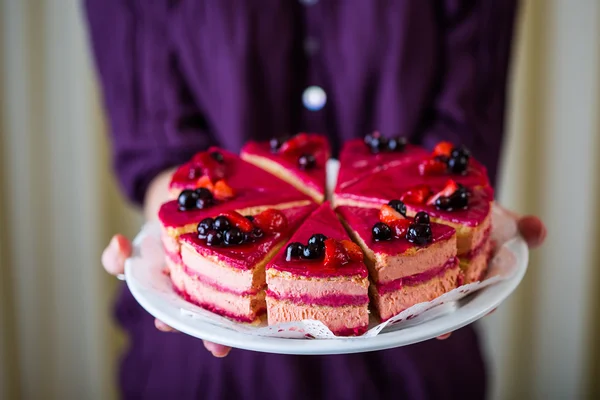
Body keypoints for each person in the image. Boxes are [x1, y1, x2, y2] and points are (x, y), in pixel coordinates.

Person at [86, 1, 546, 399]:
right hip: (202, 377)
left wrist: (450, 261)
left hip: (417, 362)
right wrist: (178, 267)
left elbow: (459, 150)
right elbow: (161, 153)